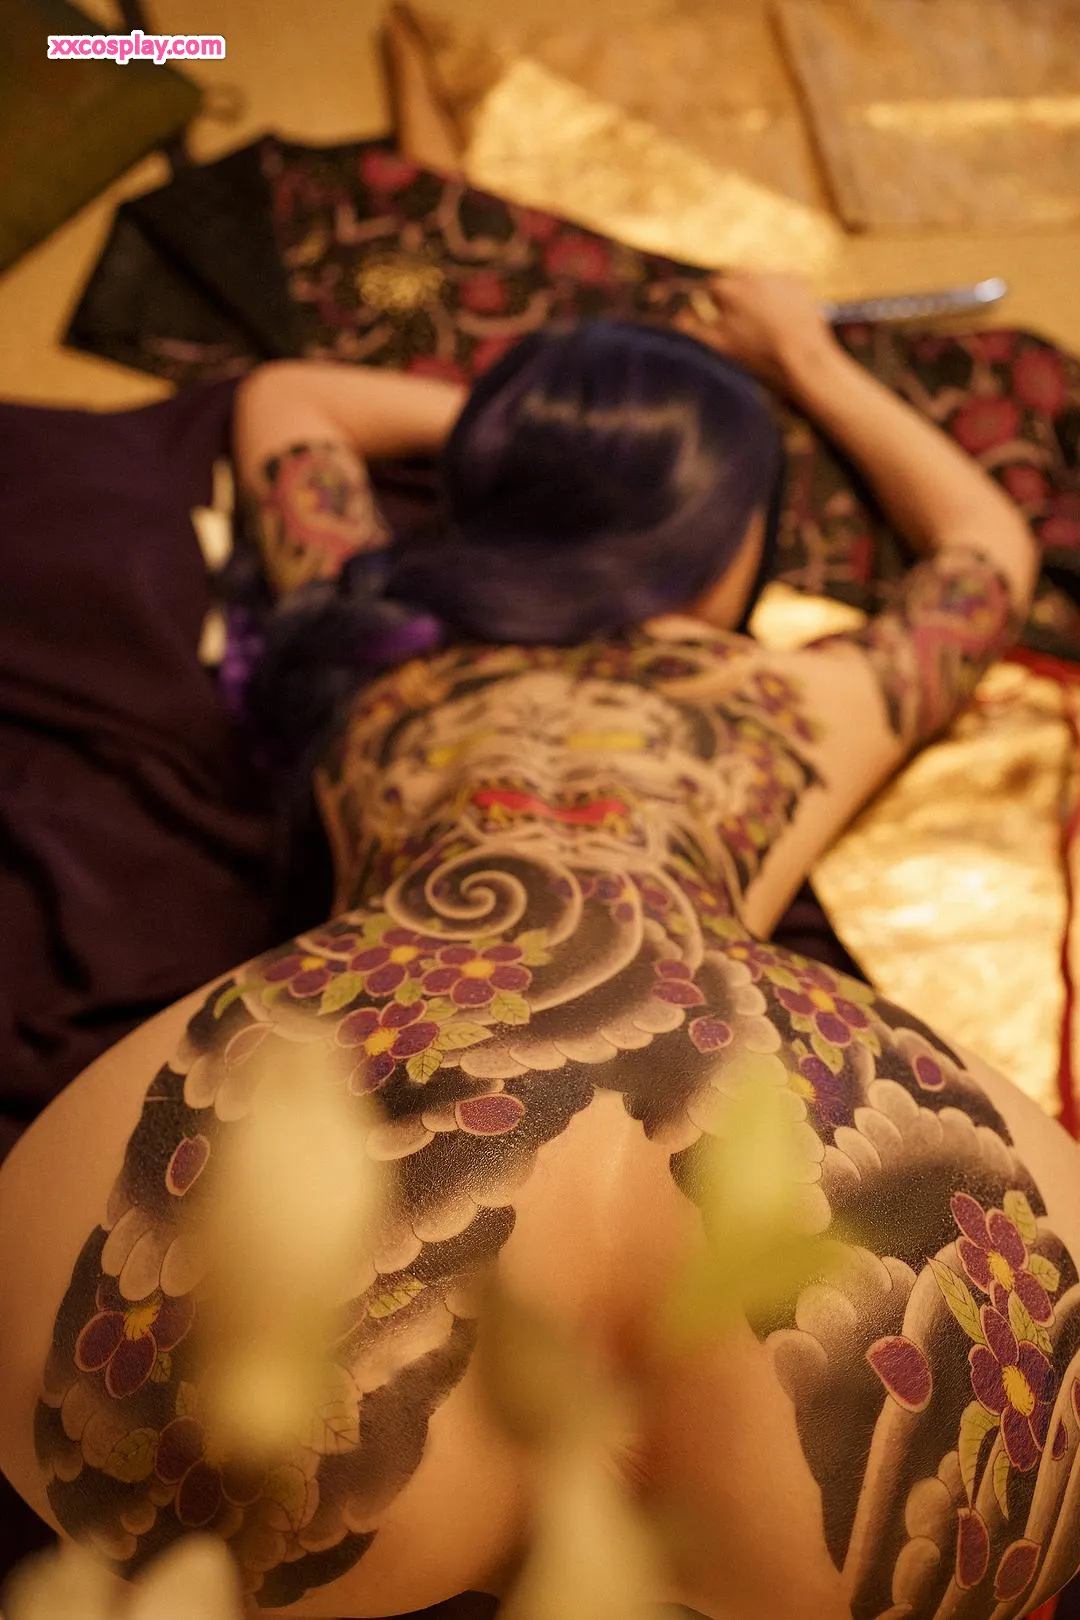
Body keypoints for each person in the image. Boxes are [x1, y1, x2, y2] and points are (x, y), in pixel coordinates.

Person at [0, 273, 1075, 1620]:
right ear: (733, 532)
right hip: (761, 1081)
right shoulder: (802, 692)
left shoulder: (387, 647)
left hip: (373, 1055)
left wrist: (543, 427)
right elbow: (985, 545)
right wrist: (802, 356)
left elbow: (288, 400)